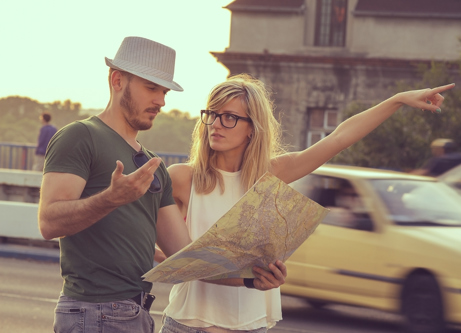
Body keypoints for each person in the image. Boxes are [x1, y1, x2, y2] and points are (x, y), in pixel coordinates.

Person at [159, 74, 455, 332]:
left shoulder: (271, 175)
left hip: (250, 326)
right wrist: (171, 262)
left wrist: (397, 100)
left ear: (252, 128)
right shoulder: (183, 178)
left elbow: (339, 138)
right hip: (189, 325)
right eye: (211, 114)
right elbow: (158, 249)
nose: (216, 124)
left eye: (230, 117)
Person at [37, 37, 286, 333]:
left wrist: (251, 278)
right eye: (151, 88)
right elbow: (49, 223)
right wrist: (111, 199)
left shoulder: (153, 164)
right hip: (95, 311)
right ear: (118, 80)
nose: (161, 100)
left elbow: (187, 257)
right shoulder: (80, 135)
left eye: (164, 91)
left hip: (138, 313)